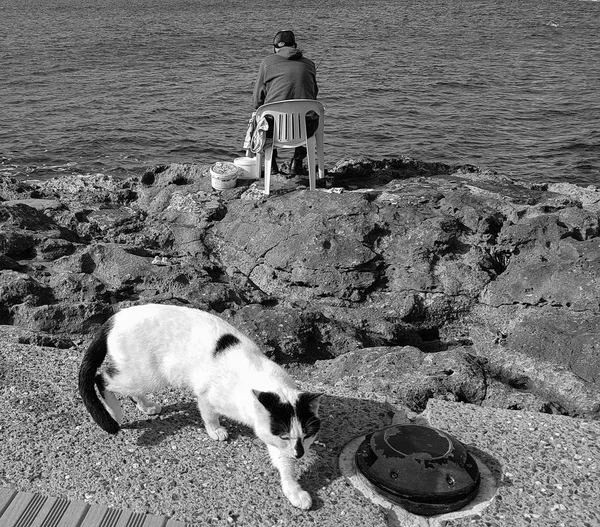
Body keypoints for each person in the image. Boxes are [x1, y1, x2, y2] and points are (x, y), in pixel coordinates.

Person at [252, 30, 319, 176]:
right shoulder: (310, 64)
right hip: (304, 130)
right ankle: (297, 162)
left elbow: (257, 100)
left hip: (275, 130)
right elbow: (314, 94)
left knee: (263, 118)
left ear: (275, 48)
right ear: (295, 45)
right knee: (309, 116)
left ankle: (272, 165)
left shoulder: (267, 63)